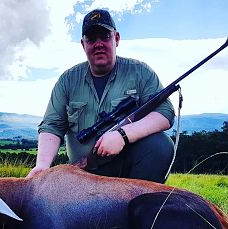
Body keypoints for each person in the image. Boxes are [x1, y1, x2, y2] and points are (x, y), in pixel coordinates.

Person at [27, 9, 175, 183]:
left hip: (126, 170)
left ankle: (140, 206)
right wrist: (43, 165)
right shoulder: (67, 80)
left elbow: (165, 112)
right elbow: (52, 126)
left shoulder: (140, 72)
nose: (98, 44)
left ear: (116, 39)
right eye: (91, 39)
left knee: (161, 146)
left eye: (104, 36)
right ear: (83, 44)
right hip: (82, 171)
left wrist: (123, 135)